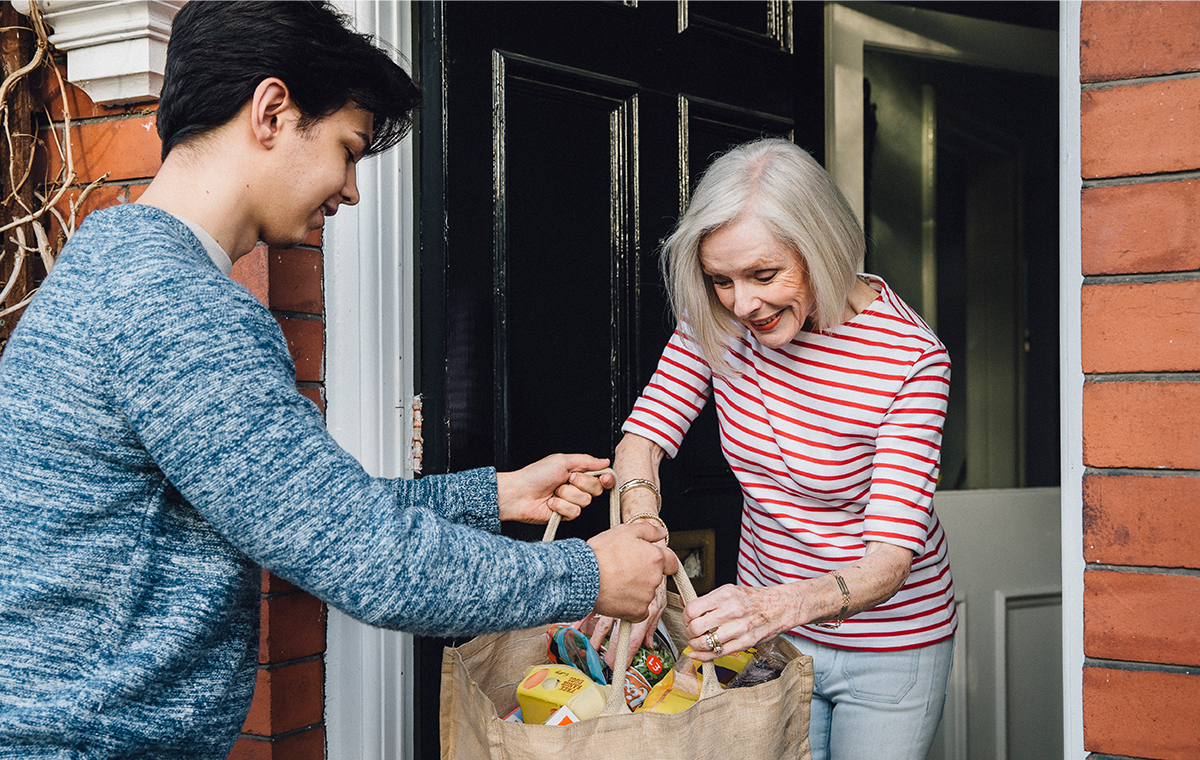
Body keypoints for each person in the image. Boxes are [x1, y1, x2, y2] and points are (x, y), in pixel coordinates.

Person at [0, 3, 676, 758]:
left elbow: (302, 510)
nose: (352, 190)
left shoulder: (119, 266)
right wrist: (586, 573)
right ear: (272, 111)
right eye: (348, 150)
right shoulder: (178, 309)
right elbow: (367, 557)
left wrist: (494, 495)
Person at [592, 138, 956, 760]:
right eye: (721, 280)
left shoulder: (910, 359)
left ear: (823, 247)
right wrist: (642, 543)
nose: (743, 304)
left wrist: (775, 608)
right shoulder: (719, 318)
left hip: (891, 643)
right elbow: (643, 442)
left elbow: (891, 559)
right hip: (769, 633)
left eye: (765, 275)